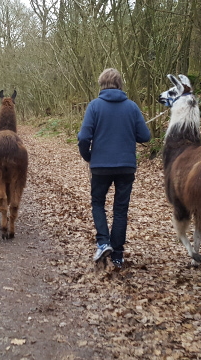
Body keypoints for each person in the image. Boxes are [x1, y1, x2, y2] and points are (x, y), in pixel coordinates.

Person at [77, 68, 151, 270]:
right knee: (120, 209)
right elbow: (145, 136)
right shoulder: (132, 107)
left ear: (102, 84)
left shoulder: (94, 106)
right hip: (126, 167)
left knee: (98, 203)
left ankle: (103, 242)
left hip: (100, 166)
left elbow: (84, 137)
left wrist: (88, 156)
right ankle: (117, 255)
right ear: (120, 84)